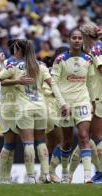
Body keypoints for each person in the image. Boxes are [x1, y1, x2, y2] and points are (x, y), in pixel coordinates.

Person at [0, 39, 69, 183]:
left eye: (15, 48)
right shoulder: (41, 65)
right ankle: (45, 174)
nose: (14, 50)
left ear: (19, 50)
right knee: (40, 141)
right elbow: (53, 85)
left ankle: (23, 177)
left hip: (15, 107)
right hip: (39, 106)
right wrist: (63, 103)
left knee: (14, 144)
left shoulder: (11, 64)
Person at [51, 28, 95, 183]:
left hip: (82, 102)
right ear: (69, 40)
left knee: (84, 136)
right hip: (65, 104)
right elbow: (53, 83)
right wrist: (62, 103)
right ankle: (64, 173)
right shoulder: (60, 59)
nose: (77, 40)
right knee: (67, 141)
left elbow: (90, 83)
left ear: (82, 41)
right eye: (74, 38)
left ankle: (87, 176)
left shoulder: (89, 60)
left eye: (79, 38)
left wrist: (91, 101)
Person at [79, 22, 102, 183]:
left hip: (98, 97)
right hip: (97, 97)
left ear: (86, 35)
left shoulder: (96, 49)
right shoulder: (99, 47)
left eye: (81, 35)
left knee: (98, 137)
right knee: (93, 137)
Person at [0, 39, 32, 183]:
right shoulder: (33, 64)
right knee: (28, 143)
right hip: (23, 106)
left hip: (9, 106)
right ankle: (31, 177)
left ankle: (3, 178)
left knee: (9, 144)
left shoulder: (9, 63)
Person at [42, 47, 69, 183]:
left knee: (50, 144)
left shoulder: (48, 69)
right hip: (52, 109)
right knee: (63, 142)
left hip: (47, 109)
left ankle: (44, 174)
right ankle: (50, 172)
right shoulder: (54, 71)